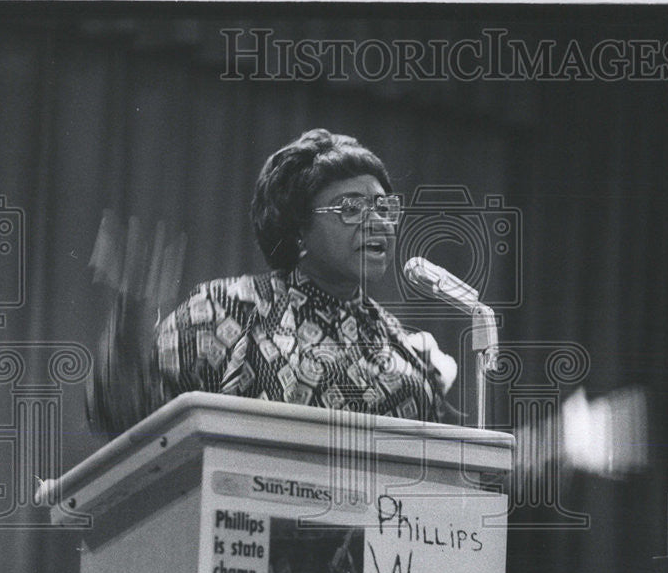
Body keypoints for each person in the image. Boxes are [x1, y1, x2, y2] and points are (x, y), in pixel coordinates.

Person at [153, 129, 456, 421]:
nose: (377, 222)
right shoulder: (227, 308)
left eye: (384, 208)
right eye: (351, 208)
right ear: (298, 228)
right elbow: (149, 424)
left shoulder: (397, 338)